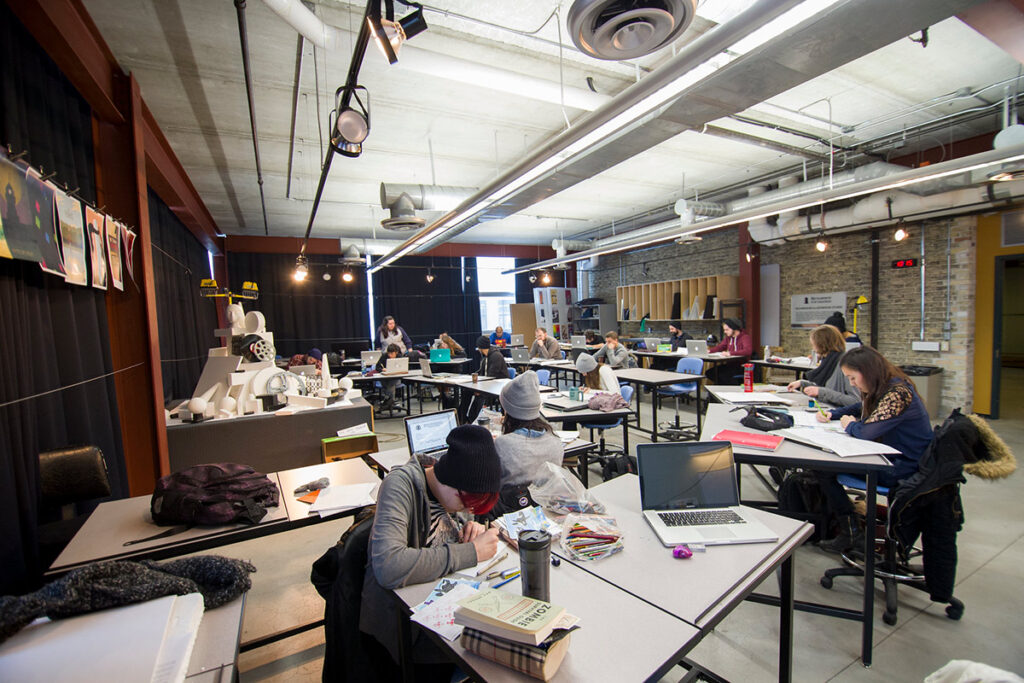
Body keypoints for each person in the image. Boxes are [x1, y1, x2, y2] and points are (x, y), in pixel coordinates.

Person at [360, 424, 501, 673]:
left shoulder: (452, 493)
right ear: (451, 483)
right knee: (497, 658)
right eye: (467, 504)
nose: (468, 512)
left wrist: (473, 532)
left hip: (442, 605)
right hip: (406, 626)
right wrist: (471, 553)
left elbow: (453, 535)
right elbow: (388, 565)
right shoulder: (400, 486)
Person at [814, 346, 933, 552]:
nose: (851, 384)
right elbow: (858, 407)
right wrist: (833, 414)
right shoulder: (885, 386)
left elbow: (867, 431)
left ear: (867, 371)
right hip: (888, 457)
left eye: (852, 378)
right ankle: (848, 527)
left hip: (900, 466)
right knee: (822, 466)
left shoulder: (898, 393)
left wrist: (849, 425)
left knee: (823, 468)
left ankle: (850, 532)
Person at [488, 371, 563, 518]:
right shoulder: (555, 441)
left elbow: (490, 484)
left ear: (508, 410)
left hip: (508, 515)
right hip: (547, 512)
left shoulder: (502, 444)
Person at [786, 325, 859, 406]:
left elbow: (855, 401)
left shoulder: (845, 363)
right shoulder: (828, 361)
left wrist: (820, 392)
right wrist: (803, 383)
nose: (813, 349)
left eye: (814, 345)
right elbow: (825, 387)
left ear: (822, 344)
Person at [459, 336, 509, 423]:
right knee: (466, 391)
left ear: (480, 347)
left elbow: (491, 376)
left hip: (498, 385)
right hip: (489, 384)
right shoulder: (486, 357)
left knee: (480, 395)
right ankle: (462, 418)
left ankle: (472, 419)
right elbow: (481, 372)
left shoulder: (496, 356)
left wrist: (479, 388)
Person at [708, 318, 752, 384]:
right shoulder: (729, 338)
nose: (725, 332)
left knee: (722, 375)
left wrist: (730, 353)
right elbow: (721, 347)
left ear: (734, 328)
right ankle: (721, 390)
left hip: (741, 366)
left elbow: (748, 351)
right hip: (730, 365)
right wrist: (709, 351)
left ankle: (731, 388)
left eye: (727, 330)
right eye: (724, 330)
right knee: (710, 373)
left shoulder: (745, 337)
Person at [374, 343, 403, 411]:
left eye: (392, 354)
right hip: (385, 378)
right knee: (388, 383)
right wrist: (382, 369)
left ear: (396, 352)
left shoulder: (400, 357)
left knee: (391, 383)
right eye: (389, 353)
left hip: (396, 377)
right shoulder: (384, 356)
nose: (390, 355)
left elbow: (403, 368)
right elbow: (377, 367)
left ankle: (387, 399)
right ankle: (390, 401)